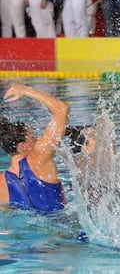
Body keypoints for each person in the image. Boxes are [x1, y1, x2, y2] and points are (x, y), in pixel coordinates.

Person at [0, 84, 69, 213]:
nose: (37, 139)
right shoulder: (39, 158)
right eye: (32, 138)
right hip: (64, 228)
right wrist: (25, 90)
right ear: (22, 146)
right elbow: (62, 109)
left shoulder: (1, 183)